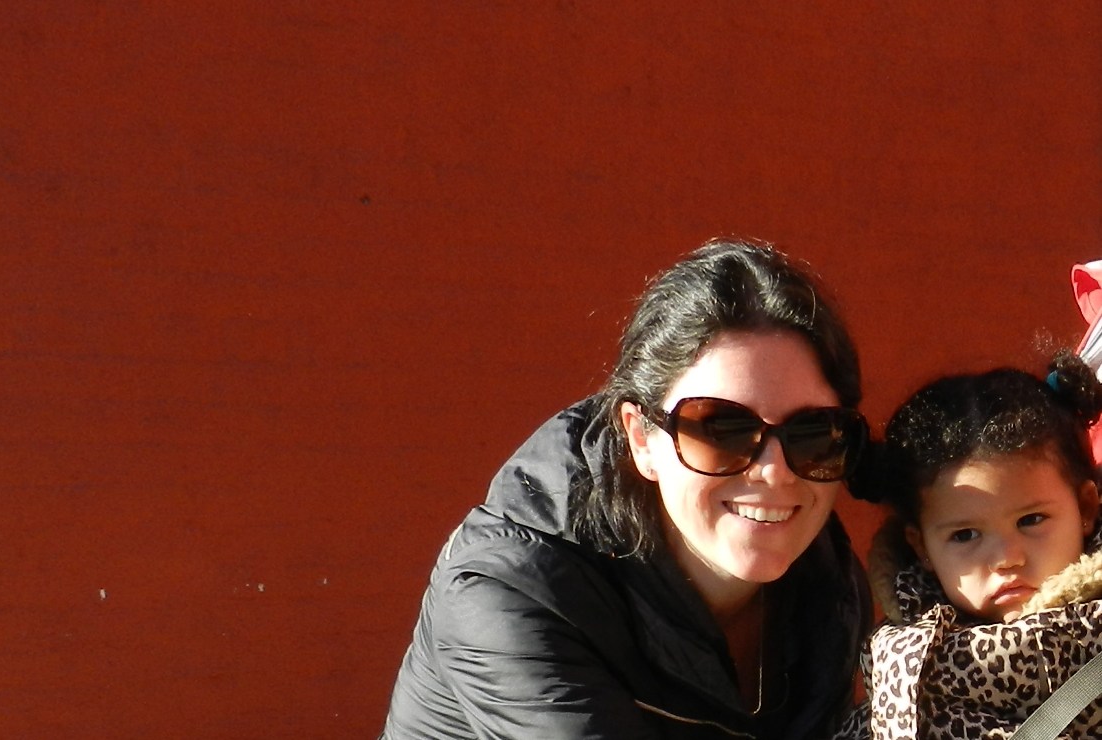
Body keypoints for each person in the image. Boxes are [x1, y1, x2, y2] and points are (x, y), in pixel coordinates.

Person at [382, 239, 874, 739]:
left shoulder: (829, 585)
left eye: (813, 432)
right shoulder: (517, 590)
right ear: (641, 438)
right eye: (721, 428)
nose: (775, 471)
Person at [834, 354, 1102, 739]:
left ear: (1085, 508)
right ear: (921, 547)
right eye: (965, 535)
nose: (1006, 558)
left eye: (1031, 520)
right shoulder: (901, 674)